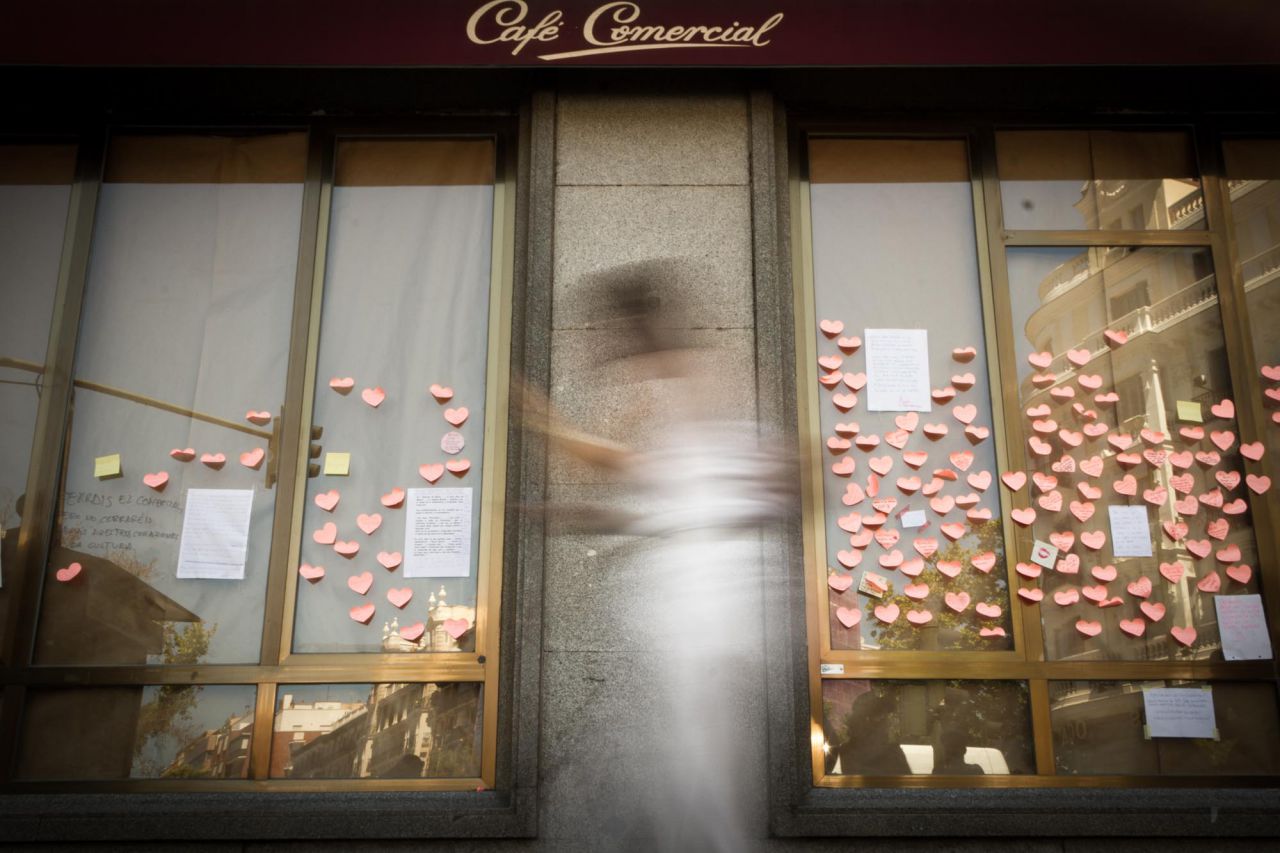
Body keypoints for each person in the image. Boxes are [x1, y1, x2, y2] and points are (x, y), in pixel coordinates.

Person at [518, 259, 795, 851]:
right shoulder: (694, 387)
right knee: (673, 774)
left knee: (693, 778)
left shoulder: (696, 385)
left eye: (616, 329)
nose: (611, 350)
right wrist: (571, 510)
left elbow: (660, 481)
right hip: (689, 616)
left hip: (704, 616)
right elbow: (668, 495)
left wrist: (551, 431)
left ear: (641, 323)